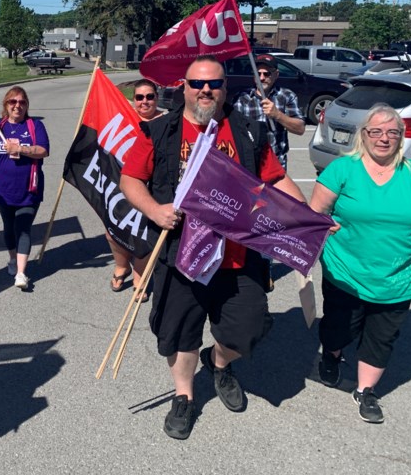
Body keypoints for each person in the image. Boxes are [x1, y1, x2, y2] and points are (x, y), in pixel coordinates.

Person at [119, 55, 306, 441]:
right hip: (180, 257)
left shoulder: (248, 131)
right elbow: (130, 179)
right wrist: (155, 210)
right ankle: (184, 396)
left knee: (248, 330)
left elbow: (277, 180)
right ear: (183, 88)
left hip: (238, 257)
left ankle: (219, 363)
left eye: (214, 84)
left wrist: (307, 220)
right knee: (179, 333)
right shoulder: (160, 131)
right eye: (197, 84)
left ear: (225, 89)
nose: (206, 90)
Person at [309, 102, 411, 424]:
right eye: (376, 131)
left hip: (397, 279)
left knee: (381, 338)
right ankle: (331, 355)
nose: (384, 138)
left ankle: (366, 391)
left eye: (392, 132)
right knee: (337, 330)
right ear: (365, 135)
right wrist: (319, 228)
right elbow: (316, 213)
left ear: (401, 137)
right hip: (345, 273)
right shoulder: (343, 169)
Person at [232, 53, 305, 291]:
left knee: (269, 220)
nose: (262, 77)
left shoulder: (286, 96)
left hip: (275, 171)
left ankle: (265, 266)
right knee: (247, 218)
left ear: (276, 75)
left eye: (267, 73)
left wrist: (278, 115)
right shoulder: (242, 98)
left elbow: (301, 128)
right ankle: (247, 263)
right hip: (247, 170)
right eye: (259, 73)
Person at [0, 86, 50, 290]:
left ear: (26, 105)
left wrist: (20, 149)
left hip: (29, 190)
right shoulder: (0, 126)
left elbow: (44, 151)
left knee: (23, 229)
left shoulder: (35, 126)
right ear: (6, 105)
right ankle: (12, 258)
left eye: (22, 102)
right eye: (13, 102)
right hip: (2, 190)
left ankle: (21, 273)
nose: (17, 106)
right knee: (9, 227)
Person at [107, 78, 165, 301]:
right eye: (139, 97)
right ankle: (122, 266)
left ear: (156, 98)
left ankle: (140, 276)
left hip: (153, 185)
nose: (145, 101)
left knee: (143, 232)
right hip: (121, 182)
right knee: (112, 230)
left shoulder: (167, 120)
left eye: (150, 96)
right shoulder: (125, 119)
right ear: (133, 100)